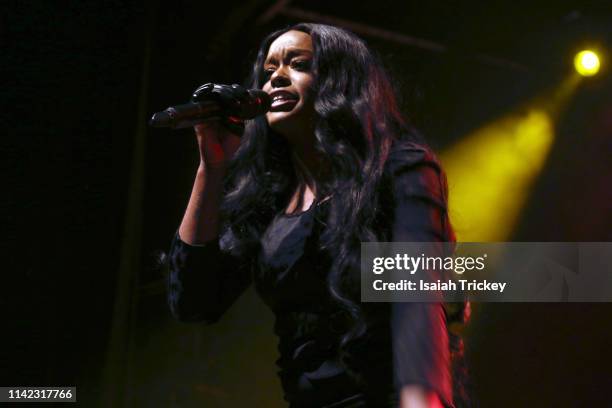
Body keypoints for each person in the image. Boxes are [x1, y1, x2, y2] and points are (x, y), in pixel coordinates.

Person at [167, 23, 468, 408]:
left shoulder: (398, 167)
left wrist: (421, 400)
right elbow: (193, 301)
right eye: (269, 69)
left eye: (298, 64)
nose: (276, 77)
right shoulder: (270, 200)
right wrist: (211, 167)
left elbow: (420, 298)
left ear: (339, 81)